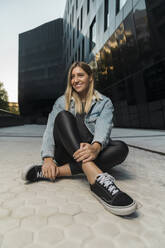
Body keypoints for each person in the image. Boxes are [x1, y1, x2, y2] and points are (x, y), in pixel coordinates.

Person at [22, 61, 137, 216]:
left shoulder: (104, 103)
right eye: (72, 76)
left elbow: (104, 126)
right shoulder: (62, 102)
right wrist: (48, 159)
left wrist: (95, 147)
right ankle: (97, 180)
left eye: (80, 75)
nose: (75, 80)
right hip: (65, 151)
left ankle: (57, 172)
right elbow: (50, 130)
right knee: (63, 116)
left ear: (90, 78)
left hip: (89, 151)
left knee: (121, 148)